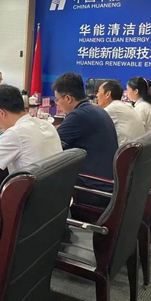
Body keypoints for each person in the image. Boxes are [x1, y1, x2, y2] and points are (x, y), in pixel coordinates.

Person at [0, 85, 63, 255]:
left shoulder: (15, 133)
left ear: (1, 113)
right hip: (55, 207)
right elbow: (27, 149)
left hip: (32, 213)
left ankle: (7, 263)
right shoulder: (45, 124)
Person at [53, 72, 118, 208]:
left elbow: (52, 147)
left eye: (57, 100)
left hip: (93, 189)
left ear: (68, 98)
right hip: (108, 184)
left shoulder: (78, 116)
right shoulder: (96, 110)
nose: (57, 104)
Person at [97, 80, 145, 146]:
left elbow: (93, 124)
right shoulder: (123, 106)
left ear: (107, 94)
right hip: (138, 147)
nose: (96, 95)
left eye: (98, 91)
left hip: (127, 149)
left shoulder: (112, 109)